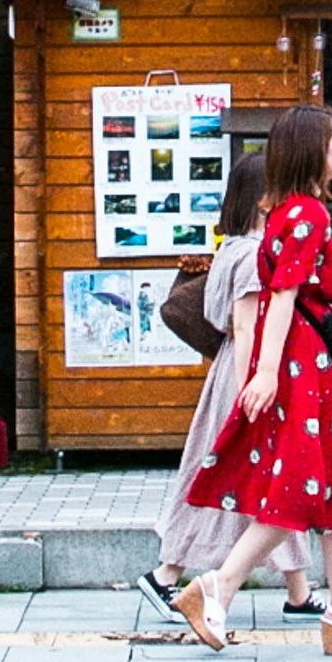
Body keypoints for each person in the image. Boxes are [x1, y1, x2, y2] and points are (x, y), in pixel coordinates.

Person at [175, 105, 332, 656]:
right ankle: (224, 586)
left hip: (300, 358)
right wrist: (262, 372)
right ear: (312, 150)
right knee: (309, 481)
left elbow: (312, 300)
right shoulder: (310, 215)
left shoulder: (286, 212)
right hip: (300, 366)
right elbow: (282, 296)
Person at [136, 154, 320, 622]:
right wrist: (255, 391)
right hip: (250, 378)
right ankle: (165, 575)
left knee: (264, 482)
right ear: (264, 199)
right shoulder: (256, 256)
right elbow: (244, 326)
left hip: (235, 376)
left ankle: (298, 592)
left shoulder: (229, 249)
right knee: (225, 480)